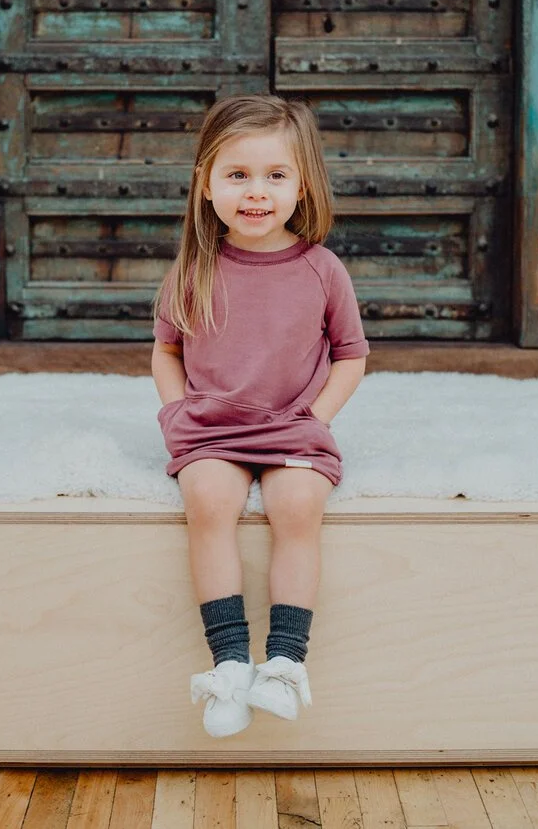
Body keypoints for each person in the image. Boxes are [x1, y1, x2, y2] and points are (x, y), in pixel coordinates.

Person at [151, 94, 369, 738]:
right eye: (237, 175)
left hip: (291, 425)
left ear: (303, 185)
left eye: (275, 175)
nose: (256, 192)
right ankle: (228, 665)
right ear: (206, 185)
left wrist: (317, 414)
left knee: (298, 504)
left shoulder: (322, 269)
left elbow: (351, 357)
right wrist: (175, 410)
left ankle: (284, 662)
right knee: (209, 501)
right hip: (213, 428)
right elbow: (166, 350)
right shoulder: (193, 268)